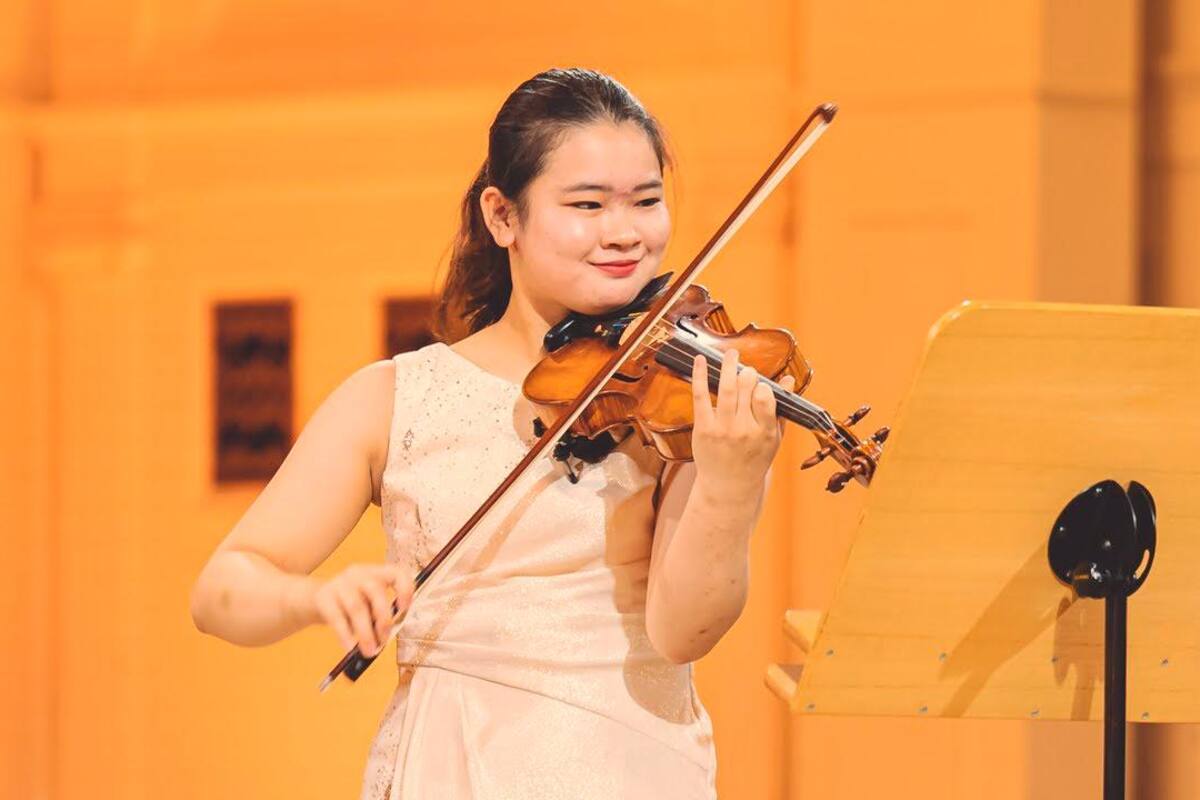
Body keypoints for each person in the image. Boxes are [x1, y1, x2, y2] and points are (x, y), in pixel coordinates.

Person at [190, 67, 793, 799]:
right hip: (452, 767)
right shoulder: (393, 398)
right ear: (503, 216)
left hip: (632, 767)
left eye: (646, 201)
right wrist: (314, 600)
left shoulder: (680, 395)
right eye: (587, 204)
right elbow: (222, 591)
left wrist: (731, 490)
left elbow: (684, 632)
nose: (626, 232)